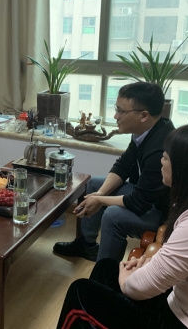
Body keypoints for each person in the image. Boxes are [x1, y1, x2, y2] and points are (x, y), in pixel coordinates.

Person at [56, 125, 188, 329]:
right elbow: (182, 258)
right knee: (106, 270)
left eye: (166, 157)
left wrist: (127, 278)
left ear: (186, 168)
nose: (161, 161)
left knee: (81, 292)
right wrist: (147, 265)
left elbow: (137, 288)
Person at [54, 82, 175, 262]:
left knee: (113, 215)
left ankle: (106, 272)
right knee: (95, 184)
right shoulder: (147, 130)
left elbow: (139, 202)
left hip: (163, 213)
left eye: (121, 111)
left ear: (143, 115)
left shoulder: (160, 147)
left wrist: (100, 200)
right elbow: (123, 165)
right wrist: (100, 193)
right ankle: (86, 245)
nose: (115, 116)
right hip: (147, 198)